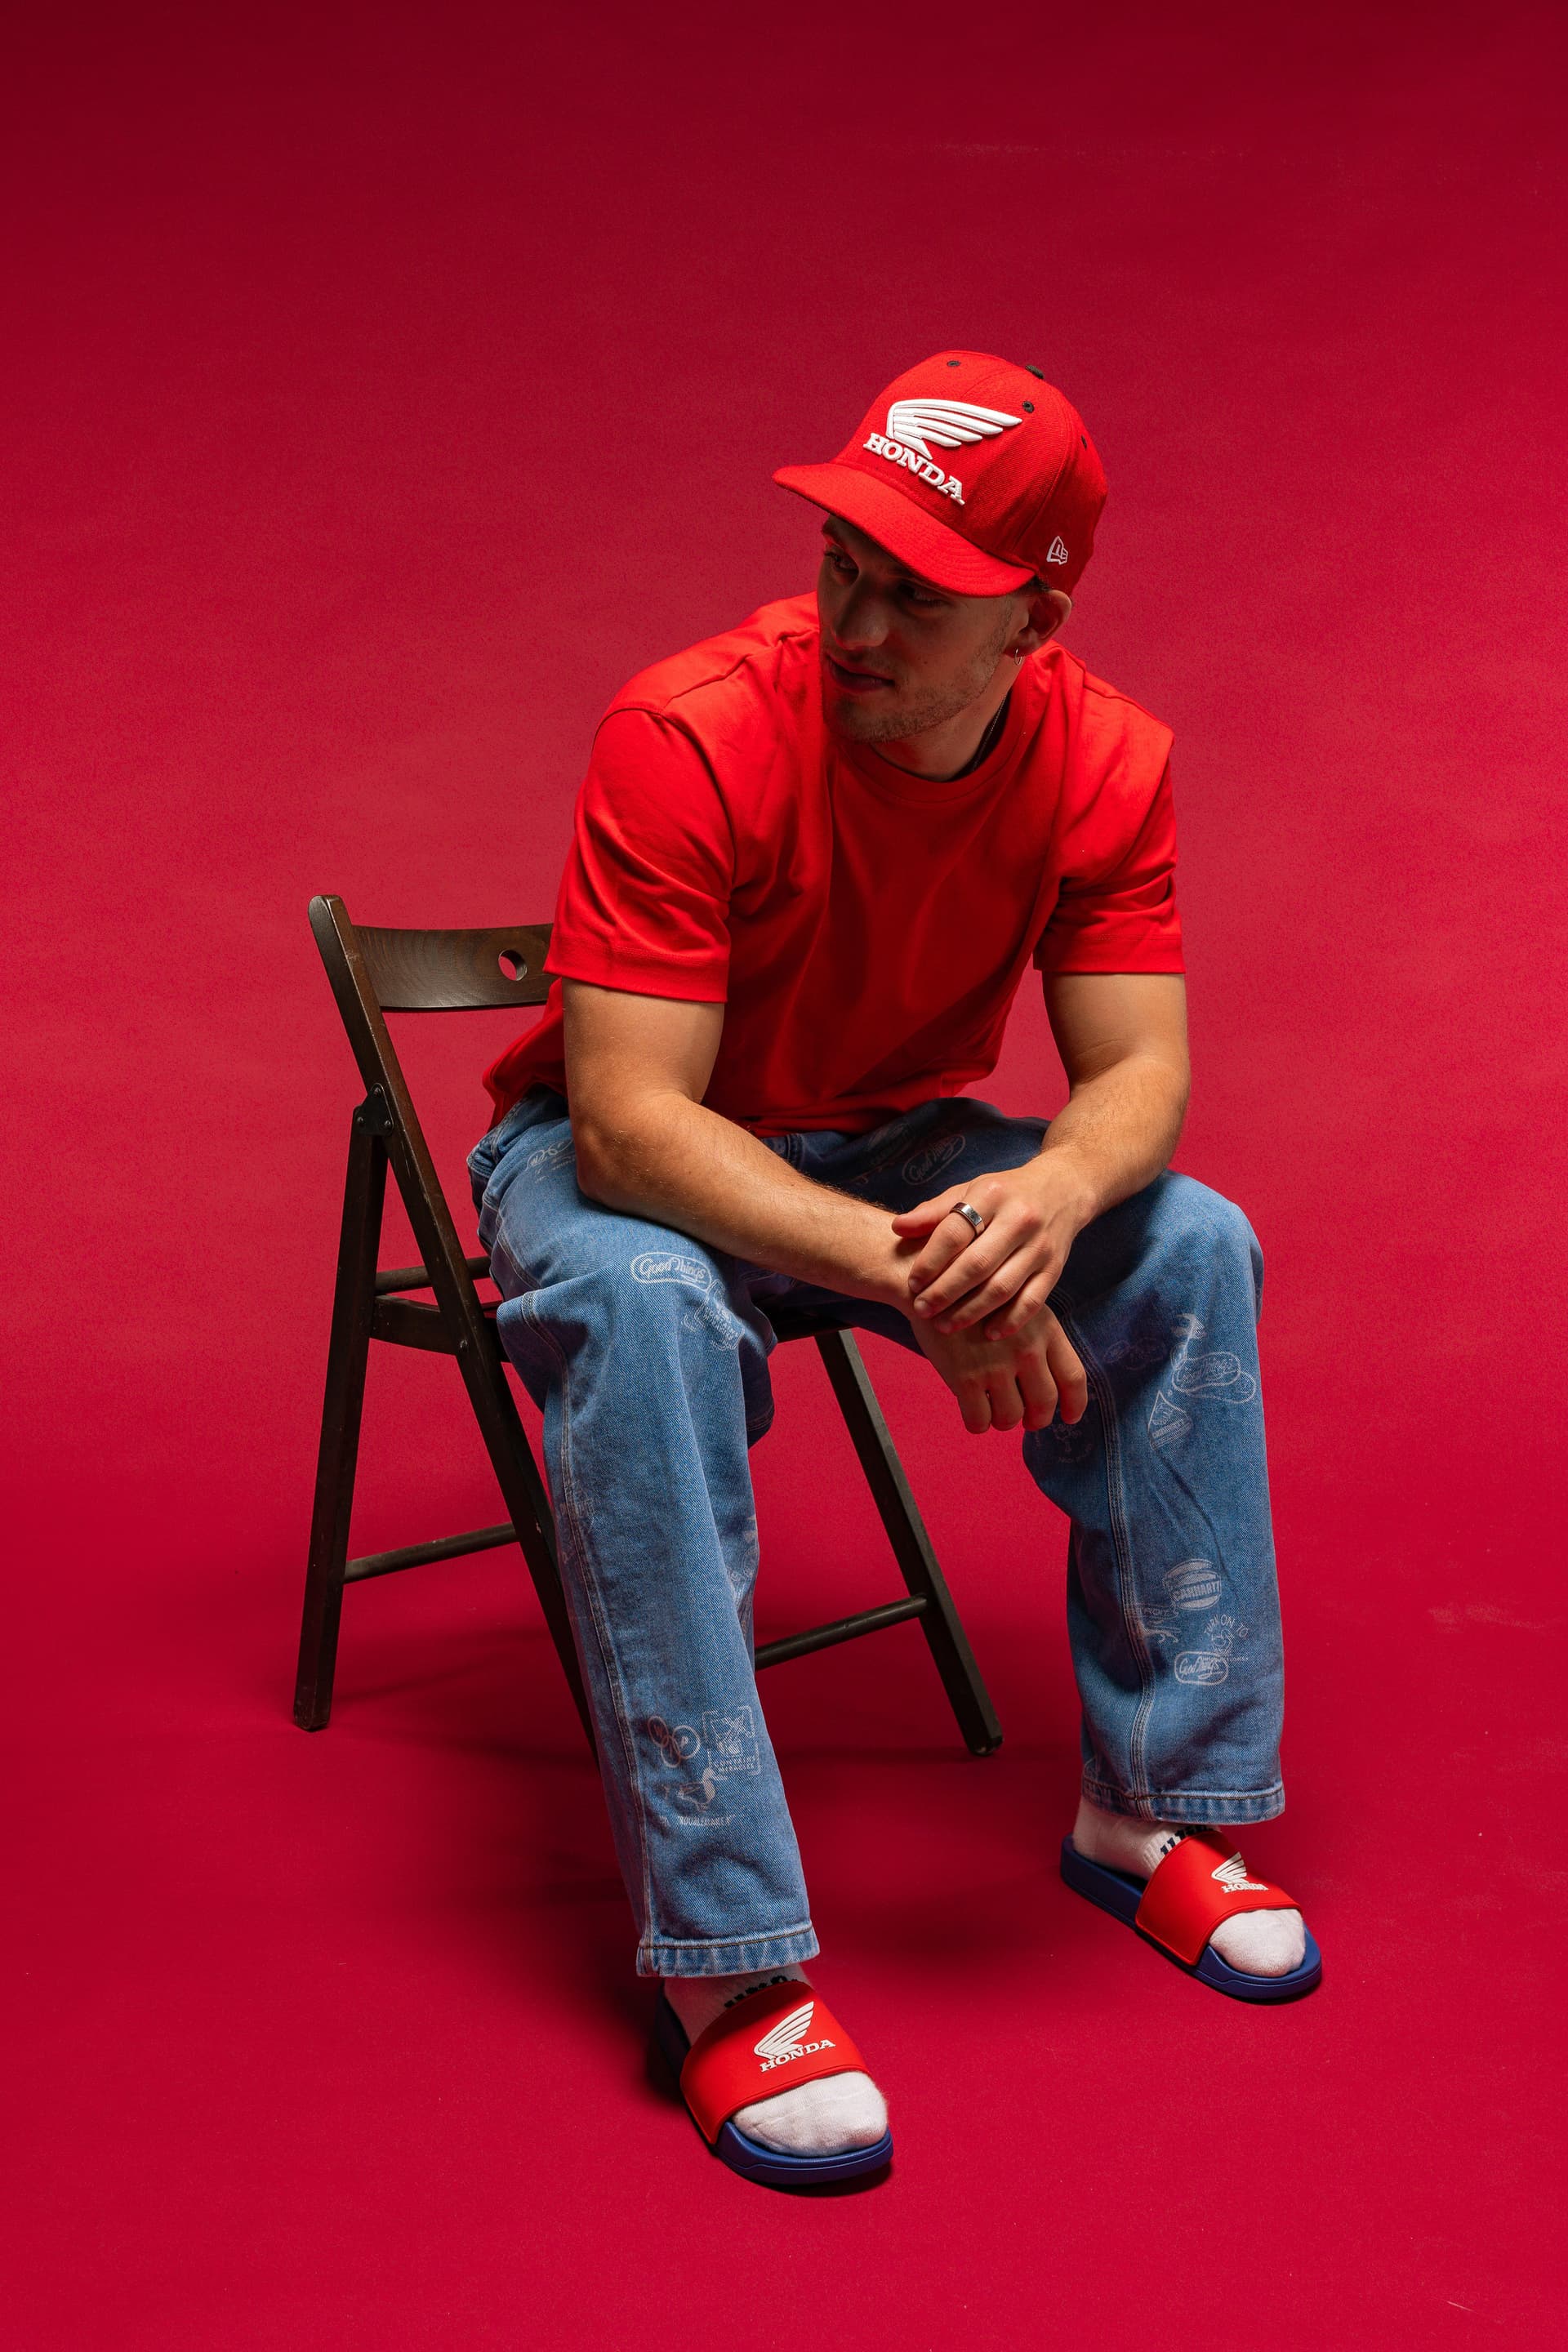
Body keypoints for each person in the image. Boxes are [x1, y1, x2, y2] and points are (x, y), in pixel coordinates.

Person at [467, 351, 1320, 2189]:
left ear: (1035, 619)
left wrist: (1052, 1199)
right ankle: (726, 1961)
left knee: (1187, 1240)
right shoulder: (690, 729)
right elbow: (626, 1125)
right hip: (632, 1160)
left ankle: (1153, 1811)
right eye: (842, 566)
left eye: (916, 598)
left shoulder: (1109, 760)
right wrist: (937, 1276)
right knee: (644, 1302)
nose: (856, 625)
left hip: (884, 1135)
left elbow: (1139, 1072)